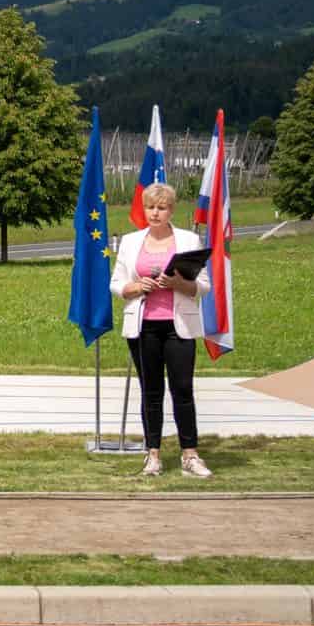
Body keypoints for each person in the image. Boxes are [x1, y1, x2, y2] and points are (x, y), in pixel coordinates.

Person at [110, 180, 210, 478]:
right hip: (144, 328)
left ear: (171, 210)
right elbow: (117, 284)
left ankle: (190, 454)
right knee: (151, 391)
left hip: (178, 326)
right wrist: (136, 286)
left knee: (182, 389)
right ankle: (152, 454)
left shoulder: (189, 240)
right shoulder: (130, 242)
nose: (155, 213)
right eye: (151, 207)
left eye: (162, 208)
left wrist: (178, 283)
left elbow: (203, 285)